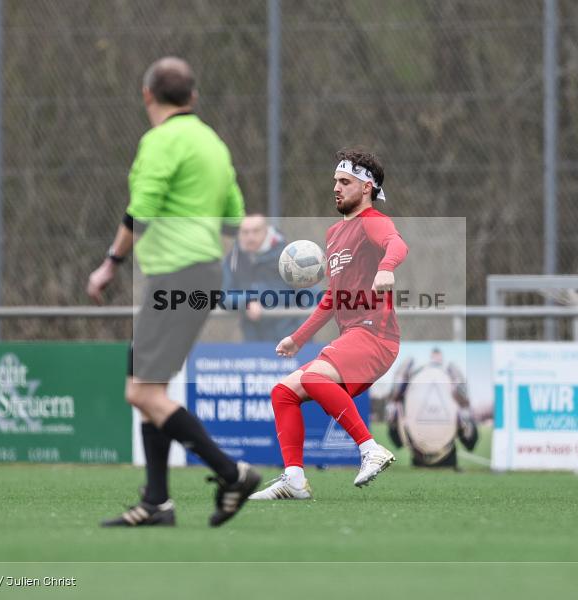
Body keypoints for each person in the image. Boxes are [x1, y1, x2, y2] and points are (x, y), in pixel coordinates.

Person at [86, 56, 260, 526]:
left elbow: (139, 210)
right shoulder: (213, 144)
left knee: (138, 393)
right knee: (152, 390)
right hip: (204, 273)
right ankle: (157, 501)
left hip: (175, 276)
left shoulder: (160, 141)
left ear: (147, 95)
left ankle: (231, 471)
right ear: (194, 98)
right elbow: (232, 218)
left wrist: (110, 265)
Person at [250, 148, 408, 500]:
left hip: (376, 336)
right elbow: (332, 298)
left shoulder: (373, 222)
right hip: (354, 335)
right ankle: (294, 479)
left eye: (345, 182)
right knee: (284, 392)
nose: (336, 188)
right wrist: (297, 338)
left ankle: (370, 449)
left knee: (313, 377)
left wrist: (386, 267)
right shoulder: (336, 233)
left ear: (366, 187)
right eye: (335, 181)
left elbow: (397, 244)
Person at [221, 213, 305, 341]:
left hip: (290, 339)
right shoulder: (233, 260)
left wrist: (300, 335)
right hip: (253, 340)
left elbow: (310, 293)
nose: (250, 237)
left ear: (266, 231)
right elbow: (223, 294)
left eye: (255, 231)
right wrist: (246, 301)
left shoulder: (289, 256)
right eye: (245, 232)